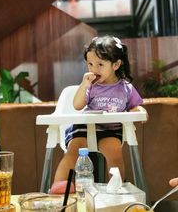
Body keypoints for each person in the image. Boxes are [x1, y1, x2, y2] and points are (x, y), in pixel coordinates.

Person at [50, 35, 146, 193]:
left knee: (114, 152)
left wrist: (139, 111)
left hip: (110, 129)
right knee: (73, 151)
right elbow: (77, 105)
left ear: (116, 64)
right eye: (90, 64)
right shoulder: (91, 86)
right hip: (85, 127)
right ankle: (60, 188)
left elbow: (135, 107)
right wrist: (84, 84)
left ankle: (116, 189)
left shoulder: (126, 88)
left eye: (100, 64)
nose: (94, 69)